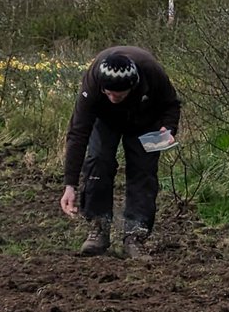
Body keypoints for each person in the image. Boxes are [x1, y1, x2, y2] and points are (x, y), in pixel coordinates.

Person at [59, 46, 181, 259]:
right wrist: (70, 185)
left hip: (144, 119)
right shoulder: (93, 83)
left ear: (132, 87)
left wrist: (168, 128)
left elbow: (172, 104)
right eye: (109, 94)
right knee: (98, 160)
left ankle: (135, 237)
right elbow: (78, 133)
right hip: (105, 121)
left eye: (120, 94)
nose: (114, 98)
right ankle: (99, 228)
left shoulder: (151, 71)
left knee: (143, 172)